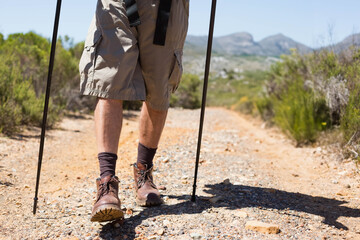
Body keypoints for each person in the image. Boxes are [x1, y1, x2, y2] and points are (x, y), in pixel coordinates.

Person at [79, 0, 189, 222]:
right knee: (109, 80)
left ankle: (143, 171)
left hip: (167, 7)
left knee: (159, 89)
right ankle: (107, 182)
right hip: (116, 3)